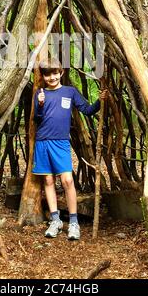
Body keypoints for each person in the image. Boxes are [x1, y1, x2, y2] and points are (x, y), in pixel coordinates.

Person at [32, 58, 106, 241]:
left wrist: (100, 101)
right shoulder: (40, 93)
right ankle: (55, 220)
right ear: (43, 76)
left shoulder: (69, 92)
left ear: (61, 72)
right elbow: (36, 120)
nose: (52, 77)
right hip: (42, 142)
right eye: (48, 74)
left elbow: (87, 110)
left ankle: (74, 223)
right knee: (48, 181)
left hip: (61, 143)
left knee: (67, 181)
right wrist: (40, 105)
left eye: (55, 73)